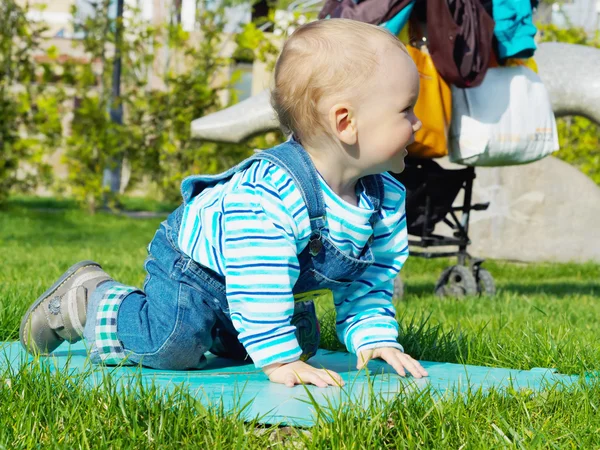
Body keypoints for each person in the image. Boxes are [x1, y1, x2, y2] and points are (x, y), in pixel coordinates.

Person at [20, 18, 428, 388]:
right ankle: (94, 299)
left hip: (260, 285)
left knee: (297, 344)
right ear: (346, 123)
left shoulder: (383, 200)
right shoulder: (272, 194)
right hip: (195, 267)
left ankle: (230, 331)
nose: (418, 123)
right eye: (406, 110)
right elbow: (257, 276)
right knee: (173, 344)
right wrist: (279, 361)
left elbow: (368, 283)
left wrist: (375, 339)